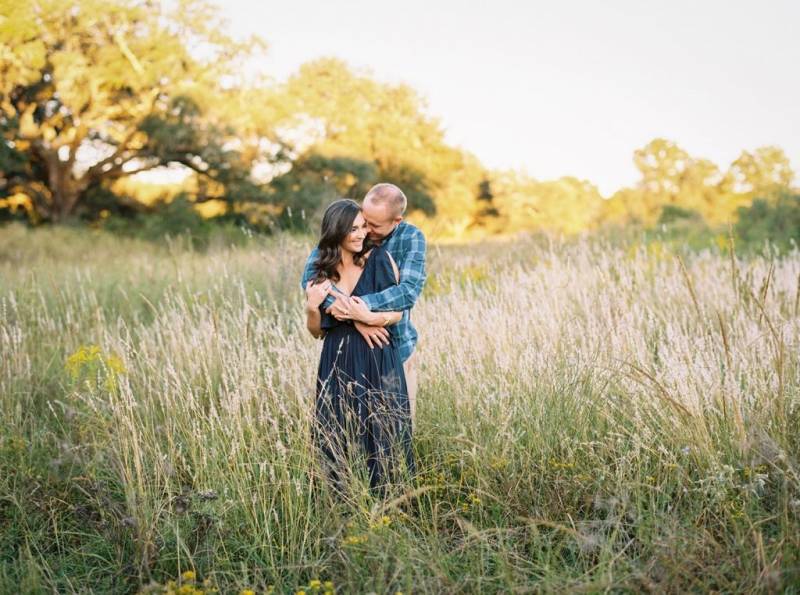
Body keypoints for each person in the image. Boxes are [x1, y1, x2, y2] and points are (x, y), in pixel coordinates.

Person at [303, 198, 417, 498]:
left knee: (386, 433)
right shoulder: (321, 270)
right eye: (353, 229)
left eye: (364, 227)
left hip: (380, 357)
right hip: (337, 359)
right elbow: (316, 332)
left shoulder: (379, 259)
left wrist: (365, 316)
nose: (361, 234)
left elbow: (397, 313)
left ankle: (393, 507)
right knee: (336, 431)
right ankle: (341, 503)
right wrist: (312, 308)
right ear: (336, 231)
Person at [300, 183, 428, 430]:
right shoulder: (351, 232)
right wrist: (357, 319)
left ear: (396, 220)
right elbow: (311, 279)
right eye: (362, 221)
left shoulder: (411, 238)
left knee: (396, 430)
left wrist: (364, 310)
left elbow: (408, 293)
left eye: (374, 226)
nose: (365, 231)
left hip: (396, 346)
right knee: (348, 430)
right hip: (349, 354)